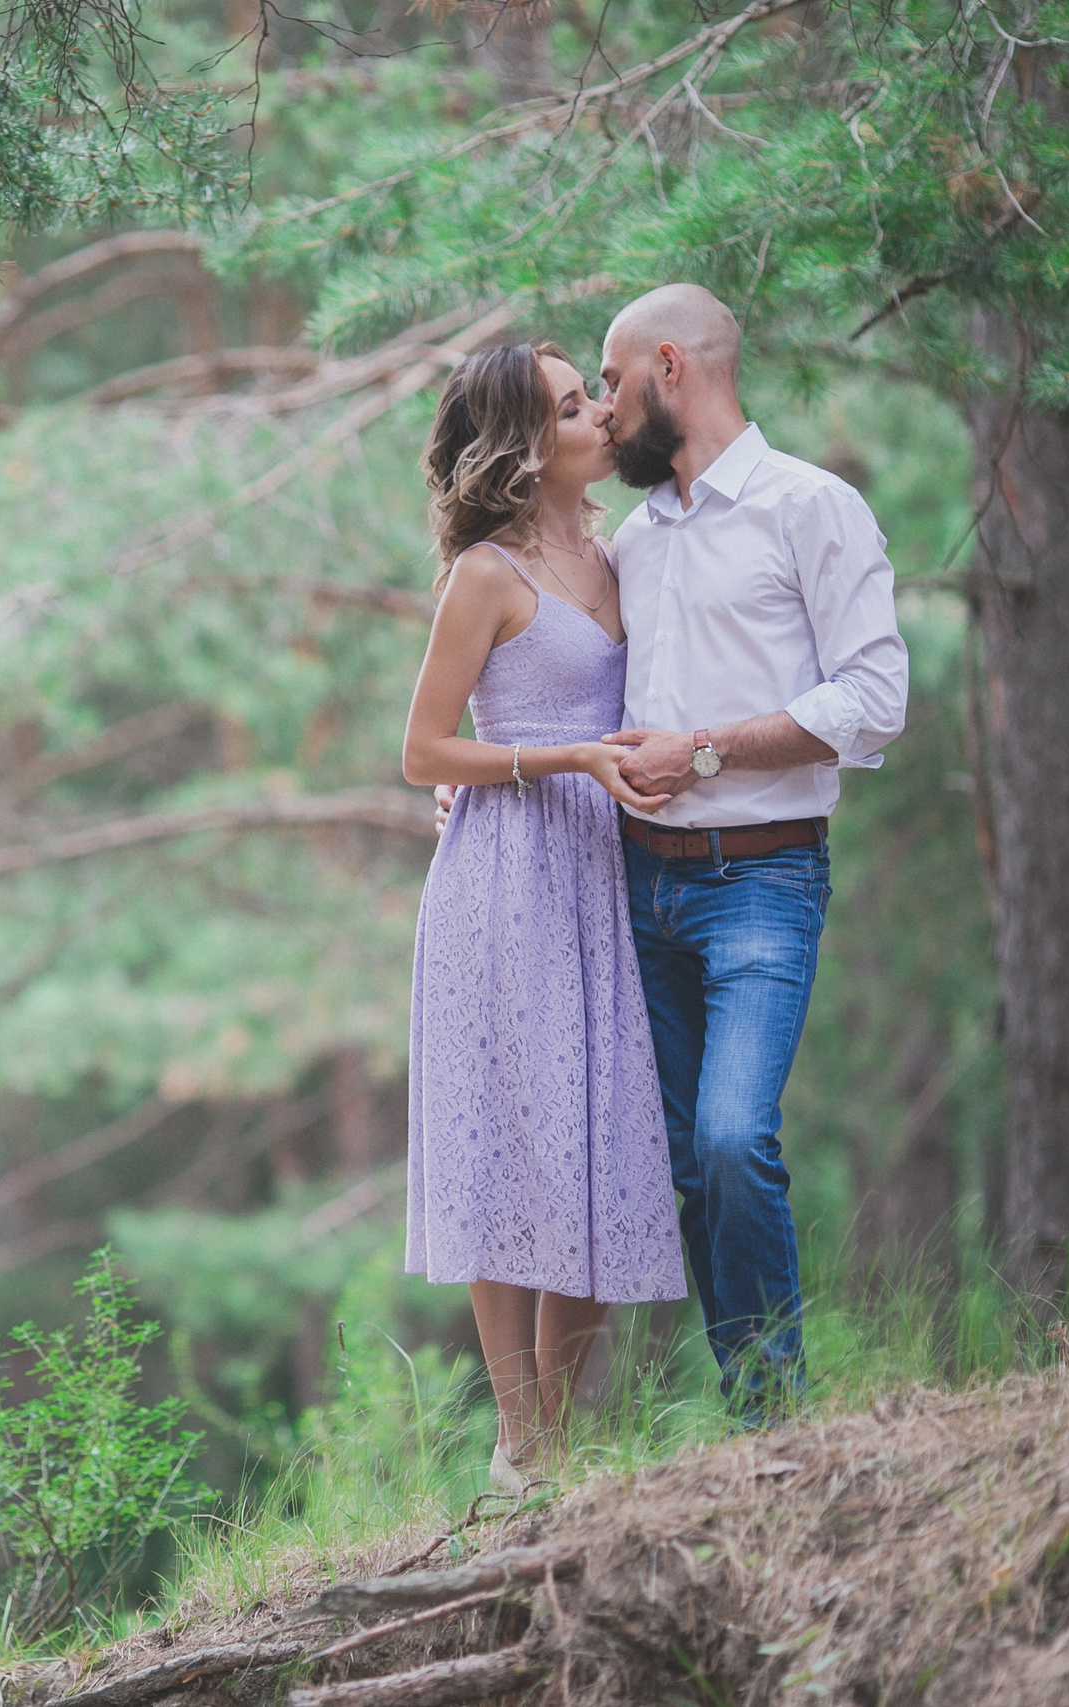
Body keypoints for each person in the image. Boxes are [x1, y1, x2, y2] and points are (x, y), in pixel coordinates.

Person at [593, 283, 910, 1417]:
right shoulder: (631, 539)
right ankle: (755, 1425)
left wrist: (708, 754)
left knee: (733, 1139)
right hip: (639, 886)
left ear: (670, 366)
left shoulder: (809, 507)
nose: (600, 408)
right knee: (684, 1165)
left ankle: (778, 1407)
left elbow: (877, 698)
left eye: (611, 380)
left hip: (765, 883)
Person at [400, 341, 688, 1495]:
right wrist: (562, 755)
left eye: (594, 397)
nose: (602, 415)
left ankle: (559, 1448)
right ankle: (517, 1440)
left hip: (602, 881)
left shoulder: (620, 555)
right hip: (504, 881)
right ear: (528, 446)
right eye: (575, 406)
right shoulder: (486, 573)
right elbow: (422, 749)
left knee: (595, 1145)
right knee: (507, 1148)